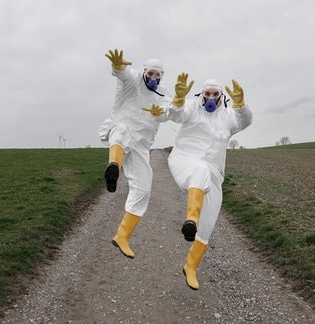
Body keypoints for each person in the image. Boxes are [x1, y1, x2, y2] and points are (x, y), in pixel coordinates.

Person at [143, 73, 253, 289]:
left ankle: (191, 267)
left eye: (215, 94)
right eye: (207, 94)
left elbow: (245, 121)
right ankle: (190, 219)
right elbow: (175, 115)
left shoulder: (229, 116)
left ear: (221, 97)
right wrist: (178, 98)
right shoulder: (192, 107)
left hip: (215, 173)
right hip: (185, 159)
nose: (210, 98)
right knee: (199, 170)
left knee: (209, 221)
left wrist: (241, 105)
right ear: (201, 95)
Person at [99, 49, 172, 259]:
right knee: (121, 132)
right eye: (150, 73)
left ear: (162, 76)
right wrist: (118, 66)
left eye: (158, 74)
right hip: (122, 130)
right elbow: (122, 74)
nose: (153, 78)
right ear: (144, 71)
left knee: (144, 188)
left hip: (141, 146)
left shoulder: (163, 93)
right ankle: (114, 165)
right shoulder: (132, 79)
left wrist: (164, 113)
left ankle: (122, 236)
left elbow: (171, 111)